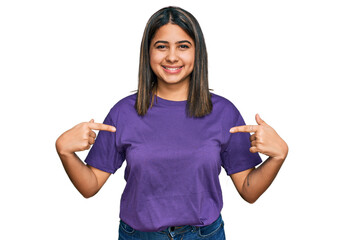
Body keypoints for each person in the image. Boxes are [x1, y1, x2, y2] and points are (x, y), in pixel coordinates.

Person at [55, 6, 288, 240]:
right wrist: (65, 151)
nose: (172, 56)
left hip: (204, 235)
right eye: (161, 46)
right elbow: (90, 185)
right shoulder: (124, 113)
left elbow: (249, 190)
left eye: (183, 46)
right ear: (148, 53)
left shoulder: (224, 113)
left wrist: (278, 156)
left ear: (198, 52)